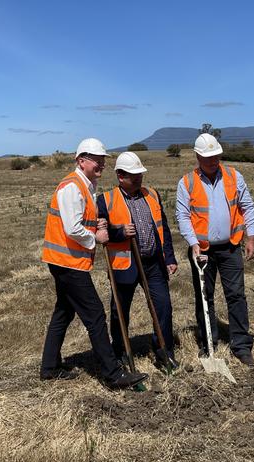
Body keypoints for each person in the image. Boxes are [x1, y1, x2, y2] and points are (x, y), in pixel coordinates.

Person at [40, 138, 148, 389]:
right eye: (96, 160)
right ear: (81, 161)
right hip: (67, 263)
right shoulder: (72, 187)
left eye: (103, 160)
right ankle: (113, 375)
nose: (101, 164)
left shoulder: (87, 185)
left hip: (67, 261)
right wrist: (96, 236)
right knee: (96, 316)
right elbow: (72, 227)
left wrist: (97, 222)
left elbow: (83, 219)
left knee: (63, 313)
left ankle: (49, 367)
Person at [176, 133, 254, 367]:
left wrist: (251, 237)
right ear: (197, 156)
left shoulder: (234, 176)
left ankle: (241, 346)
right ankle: (208, 344)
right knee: (204, 298)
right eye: (207, 157)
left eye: (216, 156)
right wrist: (193, 244)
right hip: (201, 251)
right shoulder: (187, 182)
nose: (213, 161)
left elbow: (248, 207)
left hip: (231, 247)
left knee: (236, 295)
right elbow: (182, 216)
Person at [96, 152, 179, 369]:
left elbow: (164, 228)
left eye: (140, 174)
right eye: (134, 175)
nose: (139, 178)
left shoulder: (152, 194)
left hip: (154, 263)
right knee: (120, 312)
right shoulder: (105, 200)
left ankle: (164, 351)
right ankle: (122, 351)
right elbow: (99, 233)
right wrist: (119, 232)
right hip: (124, 265)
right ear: (120, 176)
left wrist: (169, 257)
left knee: (163, 307)